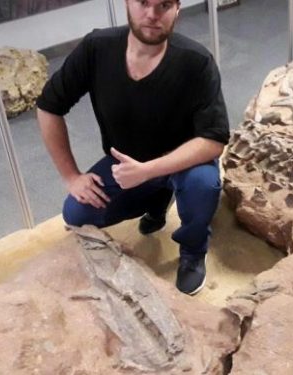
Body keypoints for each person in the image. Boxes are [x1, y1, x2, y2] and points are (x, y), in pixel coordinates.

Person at [35, 0, 230, 295]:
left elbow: (214, 139)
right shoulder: (96, 48)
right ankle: (156, 200)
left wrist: (149, 170)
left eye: (164, 5)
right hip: (128, 164)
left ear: (177, 8)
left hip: (183, 161)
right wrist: (71, 176)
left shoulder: (196, 61)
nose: (152, 14)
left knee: (203, 184)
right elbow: (49, 106)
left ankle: (192, 251)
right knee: (77, 212)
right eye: (143, 2)